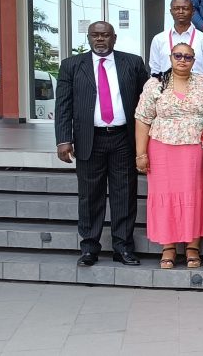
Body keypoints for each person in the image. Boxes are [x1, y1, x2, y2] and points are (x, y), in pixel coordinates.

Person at [54, 22, 151, 267]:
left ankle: (123, 247)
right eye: (95, 35)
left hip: (122, 138)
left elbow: (147, 102)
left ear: (114, 38)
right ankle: (89, 248)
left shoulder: (133, 63)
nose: (100, 39)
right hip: (90, 139)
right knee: (89, 196)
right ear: (88, 38)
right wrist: (64, 140)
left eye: (105, 35)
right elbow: (63, 106)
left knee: (124, 194)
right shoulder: (71, 66)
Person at [135, 43, 203, 269]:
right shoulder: (156, 84)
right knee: (165, 195)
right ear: (170, 57)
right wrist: (140, 154)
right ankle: (168, 247)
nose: (182, 60)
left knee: (194, 196)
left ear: (194, 59)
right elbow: (142, 118)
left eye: (188, 57)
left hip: (195, 150)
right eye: (178, 55)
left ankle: (192, 246)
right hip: (162, 148)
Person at [148, 0, 203, 81]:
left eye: (185, 8)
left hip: (198, 92)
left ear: (193, 12)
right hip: (166, 91)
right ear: (171, 12)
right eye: (176, 8)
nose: (181, 12)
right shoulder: (159, 39)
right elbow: (155, 72)